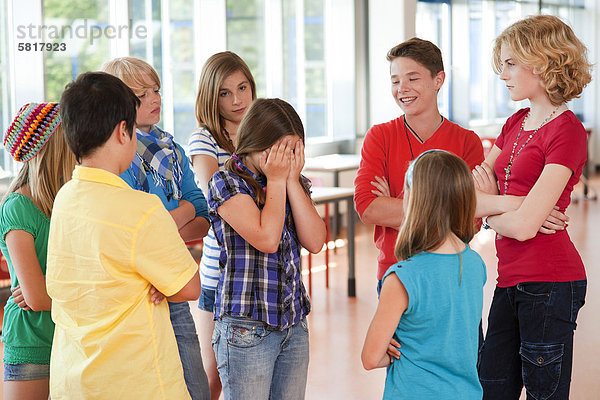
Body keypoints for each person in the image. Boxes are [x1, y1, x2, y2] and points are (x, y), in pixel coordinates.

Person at [46, 71, 201, 399]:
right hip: (137, 382)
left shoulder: (65, 198)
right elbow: (188, 287)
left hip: (73, 380)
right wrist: (156, 280)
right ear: (122, 131)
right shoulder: (142, 209)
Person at [473, 15, 591, 399]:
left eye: (510, 63)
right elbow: (468, 197)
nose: (503, 74)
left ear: (541, 62)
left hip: (551, 282)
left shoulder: (567, 131)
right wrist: (521, 206)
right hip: (509, 279)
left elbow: (524, 228)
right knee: (491, 387)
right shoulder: (515, 123)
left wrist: (492, 212)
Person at [102, 57, 210, 400]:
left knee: (196, 386)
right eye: (142, 94)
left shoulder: (174, 149)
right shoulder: (117, 157)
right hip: (138, 292)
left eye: (157, 90)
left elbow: (204, 215)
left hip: (173, 284)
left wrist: (160, 228)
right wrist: (181, 213)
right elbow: (129, 228)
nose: (155, 99)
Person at [207, 98, 326, 400]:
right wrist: (276, 180)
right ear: (256, 143)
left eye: (294, 151)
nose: (287, 159)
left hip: (293, 324)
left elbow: (315, 241)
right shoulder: (226, 182)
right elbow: (267, 238)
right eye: (281, 151)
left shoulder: (291, 182)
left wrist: (291, 183)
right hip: (247, 329)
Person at [354, 37, 484, 296]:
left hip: (452, 274)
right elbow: (367, 208)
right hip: (397, 274)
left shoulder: (467, 142)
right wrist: (446, 208)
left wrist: (394, 204)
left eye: (412, 79)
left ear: (438, 80)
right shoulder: (380, 137)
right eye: (395, 80)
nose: (402, 88)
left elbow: (470, 222)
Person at [361, 150, 486, 399]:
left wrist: (397, 348)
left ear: (413, 200)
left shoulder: (401, 278)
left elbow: (370, 358)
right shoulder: (475, 264)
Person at [187, 51, 256, 400]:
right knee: (210, 378)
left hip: (264, 274)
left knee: (252, 382)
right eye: (225, 93)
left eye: (242, 87)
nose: (237, 99)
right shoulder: (204, 139)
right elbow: (218, 195)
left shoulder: (262, 132)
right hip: (221, 273)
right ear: (211, 98)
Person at [0, 103, 75, 400]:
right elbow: (36, 297)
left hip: (71, 337)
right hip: (33, 340)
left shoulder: (69, 200)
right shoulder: (17, 207)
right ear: (55, 146)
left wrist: (49, 292)